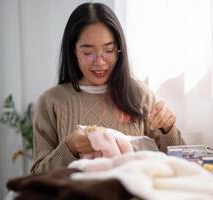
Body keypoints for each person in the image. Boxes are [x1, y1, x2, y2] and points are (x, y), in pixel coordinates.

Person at [31, 2, 184, 174]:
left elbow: (181, 166)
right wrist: (70, 147)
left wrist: (168, 129)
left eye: (109, 50)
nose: (100, 61)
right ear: (74, 51)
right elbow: (38, 175)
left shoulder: (141, 95)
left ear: (119, 49)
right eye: (88, 53)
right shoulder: (51, 101)